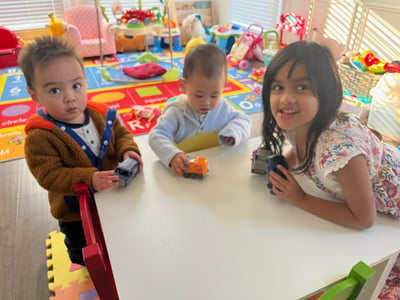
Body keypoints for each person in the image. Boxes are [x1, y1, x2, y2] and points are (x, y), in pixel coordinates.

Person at [18, 35, 143, 265]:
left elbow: (122, 135)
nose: (70, 98)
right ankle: (83, 264)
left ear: (85, 81)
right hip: (74, 209)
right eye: (55, 90)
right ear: (35, 95)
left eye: (76, 86)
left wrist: (128, 151)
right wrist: (88, 179)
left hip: (112, 195)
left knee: (116, 234)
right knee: (83, 247)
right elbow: (49, 175)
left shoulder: (101, 115)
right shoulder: (40, 136)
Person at [262, 40, 400, 230]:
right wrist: (283, 164)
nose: (285, 99)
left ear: (326, 94)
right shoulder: (298, 122)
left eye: (302, 87)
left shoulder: (341, 153)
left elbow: (363, 219)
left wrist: (300, 198)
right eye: (278, 87)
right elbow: (299, 148)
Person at [149, 43, 251, 176]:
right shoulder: (176, 112)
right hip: (185, 172)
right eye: (199, 95)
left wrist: (232, 132)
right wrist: (173, 155)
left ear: (224, 87)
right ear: (184, 86)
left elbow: (244, 119)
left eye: (214, 95)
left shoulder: (223, 107)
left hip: (217, 169)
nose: (207, 102)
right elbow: (156, 135)